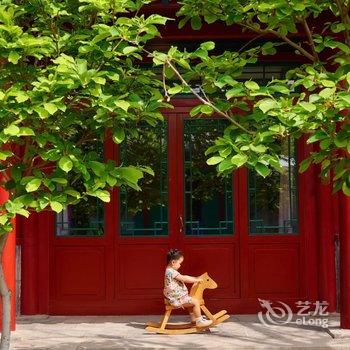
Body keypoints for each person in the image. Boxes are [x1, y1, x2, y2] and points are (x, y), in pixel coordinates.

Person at [163, 248, 213, 328]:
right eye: (180, 263)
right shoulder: (171, 272)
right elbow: (184, 278)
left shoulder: (169, 271)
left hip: (174, 296)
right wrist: (196, 280)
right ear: (173, 262)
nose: (180, 265)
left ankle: (194, 319)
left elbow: (184, 277)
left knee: (190, 301)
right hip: (175, 298)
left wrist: (195, 278)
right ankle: (199, 321)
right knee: (195, 302)